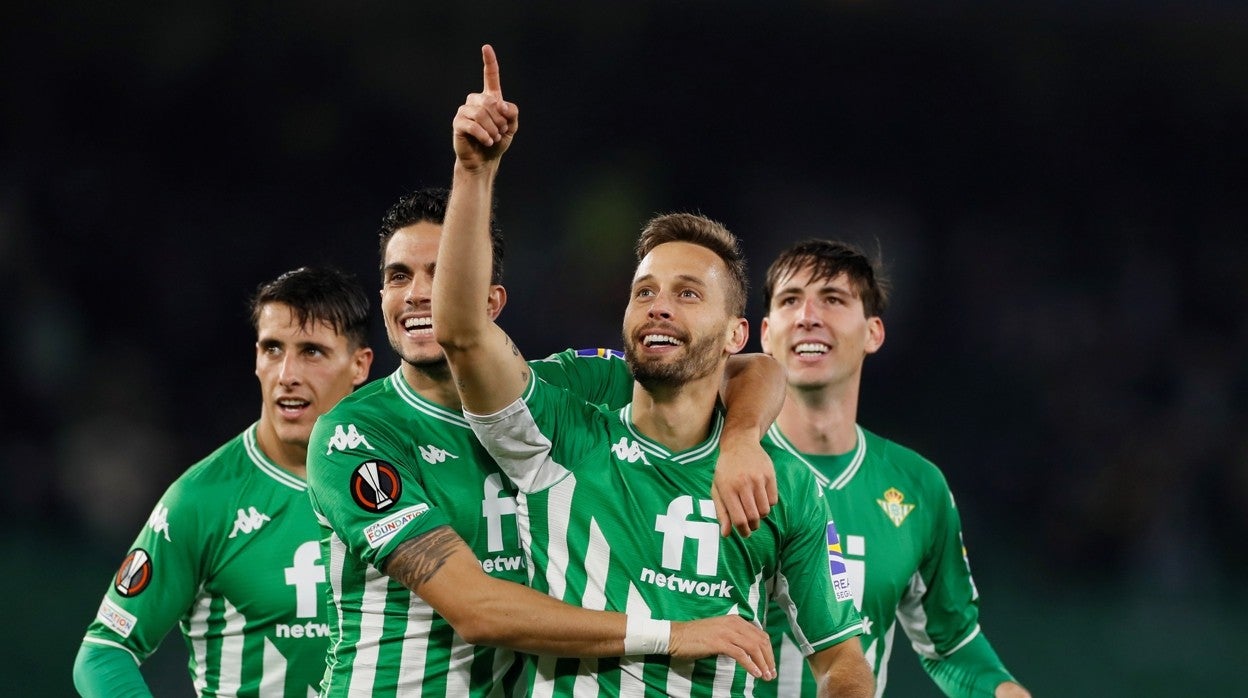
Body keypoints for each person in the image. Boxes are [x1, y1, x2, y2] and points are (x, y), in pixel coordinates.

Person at [434, 44, 874, 697]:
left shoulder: (784, 487)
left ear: (736, 335)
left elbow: (840, 661)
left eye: (688, 293)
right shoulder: (560, 434)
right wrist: (474, 173)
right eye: (645, 292)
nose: (659, 306)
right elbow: (463, 333)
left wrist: (742, 437)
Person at [303, 185, 784, 695]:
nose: (417, 294)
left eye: (441, 275)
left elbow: (750, 368)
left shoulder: (555, 395)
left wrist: (742, 439)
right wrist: (672, 634)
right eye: (398, 276)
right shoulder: (354, 434)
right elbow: (477, 610)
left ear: (488, 301)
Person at [73, 266, 376, 697]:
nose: (287, 374)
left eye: (312, 351)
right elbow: (104, 653)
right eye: (273, 349)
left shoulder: (397, 479)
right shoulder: (202, 499)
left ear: (359, 365)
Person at [754, 238, 1031, 698]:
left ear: (873, 333)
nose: (807, 316)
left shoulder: (918, 486)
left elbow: (952, 646)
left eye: (833, 299)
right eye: (789, 301)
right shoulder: (717, 462)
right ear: (765, 333)